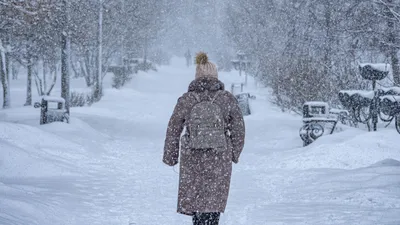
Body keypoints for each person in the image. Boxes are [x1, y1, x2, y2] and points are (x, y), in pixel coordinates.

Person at [163, 52, 245, 225]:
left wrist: (171, 157)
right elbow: (239, 129)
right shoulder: (226, 99)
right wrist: (234, 154)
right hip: (219, 157)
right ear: (216, 76)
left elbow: (173, 129)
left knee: (197, 199)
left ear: (196, 76)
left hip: (193, 157)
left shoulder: (186, 100)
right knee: (214, 200)